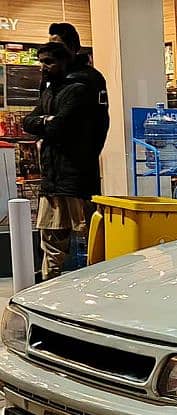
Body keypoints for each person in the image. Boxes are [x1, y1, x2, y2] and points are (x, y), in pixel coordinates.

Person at [22, 43, 97, 280]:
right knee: (51, 239)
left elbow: (60, 126)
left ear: (66, 62)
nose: (43, 67)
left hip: (77, 179)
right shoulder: (49, 93)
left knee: (88, 238)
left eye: (49, 61)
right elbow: (28, 122)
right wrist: (45, 121)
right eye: (41, 61)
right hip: (52, 181)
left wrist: (45, 123)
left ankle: (93, 286)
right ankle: (50, 286)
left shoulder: (79, 90)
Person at [48, 22, 109, 199]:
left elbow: (100, 124)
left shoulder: (90, 79)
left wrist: (86, 156)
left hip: (79, 175)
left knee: (83, 225)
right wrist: (43, 122)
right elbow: (32, 120)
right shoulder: (51, 79)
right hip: (52, 177)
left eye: (58, 46)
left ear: (73, 47)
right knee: (52, 226)